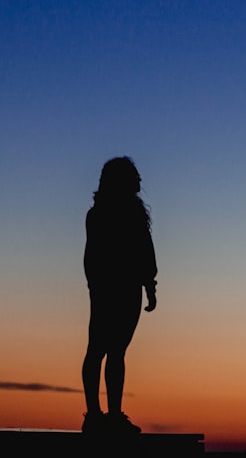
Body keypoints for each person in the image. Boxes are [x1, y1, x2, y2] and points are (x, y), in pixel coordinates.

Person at [81, 156, 158, 435]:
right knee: (98, 350)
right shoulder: (99, 214)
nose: (139, 180)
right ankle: (93, 414)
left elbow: (144, 251)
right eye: (134, 175)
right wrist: (97, 287)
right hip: (109, 289)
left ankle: (112, 415)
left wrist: (149, 284)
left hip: (129, 289)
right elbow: (93, 257)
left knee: (116, 352)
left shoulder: (135, 213)